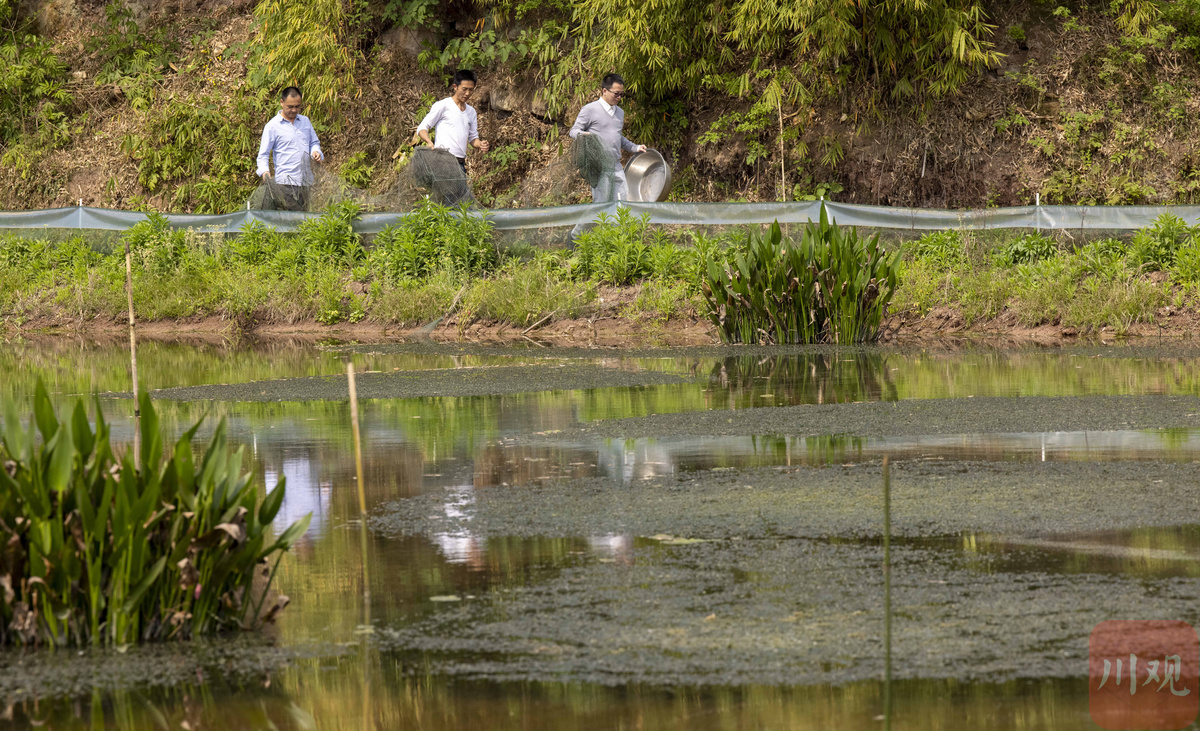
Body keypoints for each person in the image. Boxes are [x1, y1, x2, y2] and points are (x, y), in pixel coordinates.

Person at [568, 73, 646, 240]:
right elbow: (573, 131)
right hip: (598, 165)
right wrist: (583, 135)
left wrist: (635, 147)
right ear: (604, 91)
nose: (619, 97)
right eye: (616, 93)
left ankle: (616, 240)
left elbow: (619, 138)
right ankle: (575, 236)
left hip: (616, 165)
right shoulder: (590, 109)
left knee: (622, 203)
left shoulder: (620, 113)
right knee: (600, 206)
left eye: (621, 94)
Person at [255, 86, 323, 211]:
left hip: (305, 182)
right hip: (285, 184)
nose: (294, 110)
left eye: (297, 106)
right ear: (282, 103)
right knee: (289, 221)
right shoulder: (272, 126)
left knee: (304, 219)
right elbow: (263, 155)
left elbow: (314, 142)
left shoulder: (305, 122)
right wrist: (264, 171)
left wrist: (316, 152)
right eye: (290, 107)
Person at [417, 69, 490, 175]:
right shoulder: (443, 105)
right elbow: (422, 127)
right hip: (442, 161)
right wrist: (429, 141)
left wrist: (480, 144)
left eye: (471, 90)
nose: (467, 93)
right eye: (464, 89)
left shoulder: (471, 112)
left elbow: (473, 138)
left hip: (460, 163)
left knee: (459, 191)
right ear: (455, 87)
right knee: (450, 191)